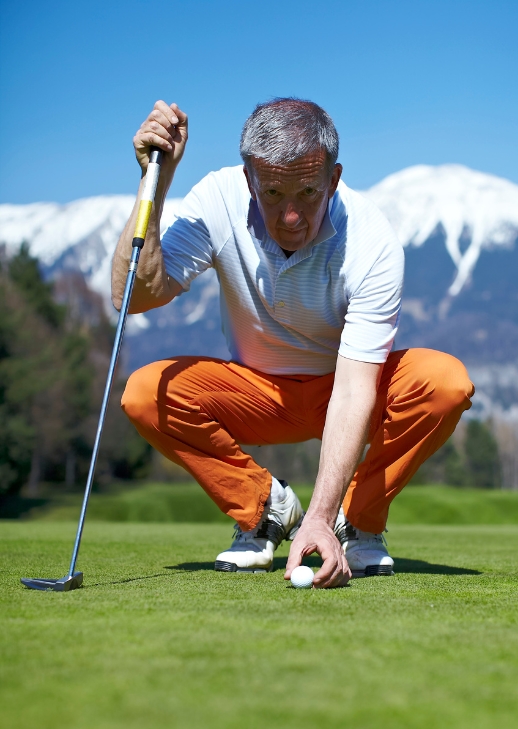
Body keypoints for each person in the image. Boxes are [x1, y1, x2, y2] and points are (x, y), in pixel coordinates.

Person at [114, 98, 474, 589]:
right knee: (145, 393)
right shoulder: (217, 199)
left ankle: (357, 520)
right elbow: (132, 295)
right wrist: (154, 183)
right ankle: (265, 510)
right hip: (257, 393)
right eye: (272, 192)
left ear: (333, 178)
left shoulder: (371, 239)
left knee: (444, 383)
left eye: (307, 191)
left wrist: (321, 517)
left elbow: (352, 390)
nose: (289, 215)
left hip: (347, 390)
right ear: (248, 180)